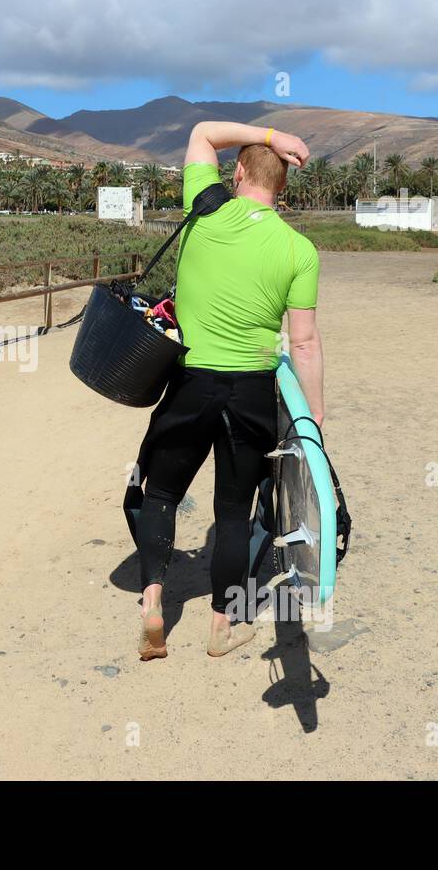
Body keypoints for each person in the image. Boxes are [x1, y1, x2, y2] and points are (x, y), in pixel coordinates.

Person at [134, 121, 323, 661]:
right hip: (252, 392)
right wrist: (313, 422)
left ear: (236, 173)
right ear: (281, 188)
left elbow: (201, 133)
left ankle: (153, 604)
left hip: (191, 381)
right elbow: (304, 345)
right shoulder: (299, 249)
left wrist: (272, 134)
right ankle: (221, 626)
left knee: (162, 494)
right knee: (234, 512)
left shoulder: (205, 207)